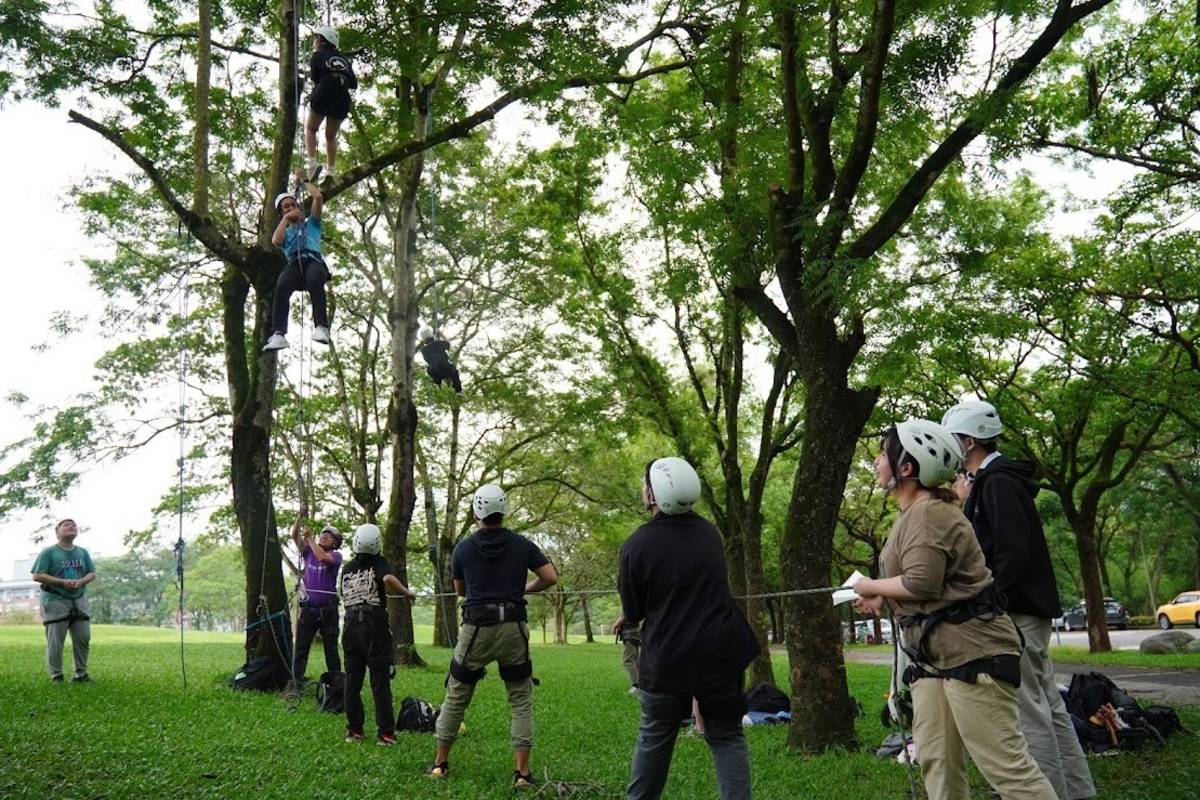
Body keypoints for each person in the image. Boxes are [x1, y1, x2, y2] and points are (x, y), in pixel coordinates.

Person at [853, 420, 1055, 800]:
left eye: (883, 454)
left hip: (972, 652)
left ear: (906, 468)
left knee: (1006, 768)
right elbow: (929, 580)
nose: (877, 462)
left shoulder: (928, 513)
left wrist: (870, 586)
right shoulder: (913, 512)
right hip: (934, 657)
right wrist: (883, 597)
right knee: (937, 760)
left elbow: (921, 583)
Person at [942, 400, 1095, 800]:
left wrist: (988, 600)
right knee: (1048, 705)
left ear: (969, 441)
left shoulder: (997, 483)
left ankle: (1048, 791)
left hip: (1018, 611)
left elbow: (1011, 551)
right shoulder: (988, 482)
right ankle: (1076, 791)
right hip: (1026, 607)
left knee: (1030, 712)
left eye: (954, 440)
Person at [617, 457, 759, 800]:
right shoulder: (710, 534)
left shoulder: (636, 546)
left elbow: (634, 610)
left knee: (655, 736)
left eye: (645, 484)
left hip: (668, 658)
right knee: (726, 737)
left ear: (654, 493)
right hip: (721, 653)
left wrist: (629, 616)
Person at [429, 484, 558, 788]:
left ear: (477, 512)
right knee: (520, 699)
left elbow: (461, 591)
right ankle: (522, 774)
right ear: (504, 510)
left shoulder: (462, 549)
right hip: (514, 626)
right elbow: (550, 577)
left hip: (476, 628)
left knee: (457, 694)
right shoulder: (523, 545)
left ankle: (440, 765)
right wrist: (522, 590)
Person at [340, 523, 415, 745]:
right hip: (373, 627)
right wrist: (406, 593)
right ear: (377, 544)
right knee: (379, 681)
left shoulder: (347, 568)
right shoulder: (379, 562)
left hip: (350, 626)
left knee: (352, 681)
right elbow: (388, 579)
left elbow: (343, 595)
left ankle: (354, 730)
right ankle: (385, 733)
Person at [264, 174, 332, 352]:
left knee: (314, 278)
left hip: (314, 261)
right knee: (283, 284)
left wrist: (304, 182)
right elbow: (276, 241)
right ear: (281, 213)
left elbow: (317, 197)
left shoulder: (312, 224)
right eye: (286, 207)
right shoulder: (284, 232)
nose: (291, 208)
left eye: (293, 205)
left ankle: (321, 326)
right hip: (295, 264)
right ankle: (278, 333)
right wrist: (286, 219)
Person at [31, 519, 96, 683]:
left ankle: (81, 675)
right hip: (55, 600)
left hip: (79, 599)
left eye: (74, 524)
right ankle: (57, 676)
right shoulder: (49, 553)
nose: (71, 526)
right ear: (57, 532)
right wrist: (62, 582)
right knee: (55, 641)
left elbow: (91, 573)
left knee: (83, 637)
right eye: (66, 525)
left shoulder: (82, 552)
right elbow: (37, 575)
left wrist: (81, 582)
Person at [288, 502, 343, 694]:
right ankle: (295, 685)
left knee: (331, 650)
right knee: (301, 649)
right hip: (309, 608)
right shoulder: (308, 552)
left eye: (329, 536)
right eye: (323, 534)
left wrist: (310, 539)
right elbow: (294, 535)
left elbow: (323, 559)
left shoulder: (336, 556)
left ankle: (336, 686)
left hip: (328, 609)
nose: (324, 536)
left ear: (335, 543)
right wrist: (300, 516)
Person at [303, 25, 357, 182]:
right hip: (342, 97)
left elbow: (315, 79)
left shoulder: (317, 55)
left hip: (325, 90)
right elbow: (353, 83)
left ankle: (312, 164)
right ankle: (331, 172)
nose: (314, 41)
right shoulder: (345, 60)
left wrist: (316, 96)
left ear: (321, 40)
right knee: (331, 136)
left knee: (311, 128)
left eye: (316, 38)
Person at [417, 327, 463, 393]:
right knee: (454, 372)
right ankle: (459, 390)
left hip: (435, 372)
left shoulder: (423, 350)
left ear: (423, 339)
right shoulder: (439, 343)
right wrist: (441, 334)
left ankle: (437, 385)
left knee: (429, 369)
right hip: (446, 368)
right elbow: (448, 344)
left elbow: (427, 360)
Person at [613, 617, 641, 692]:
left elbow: (624, 615)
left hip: (629, 635)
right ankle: (643, 684)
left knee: (627, 661)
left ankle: (636, 685)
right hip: (635, 634)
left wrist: (615, 625)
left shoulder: (628, 605)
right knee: (636, 661)